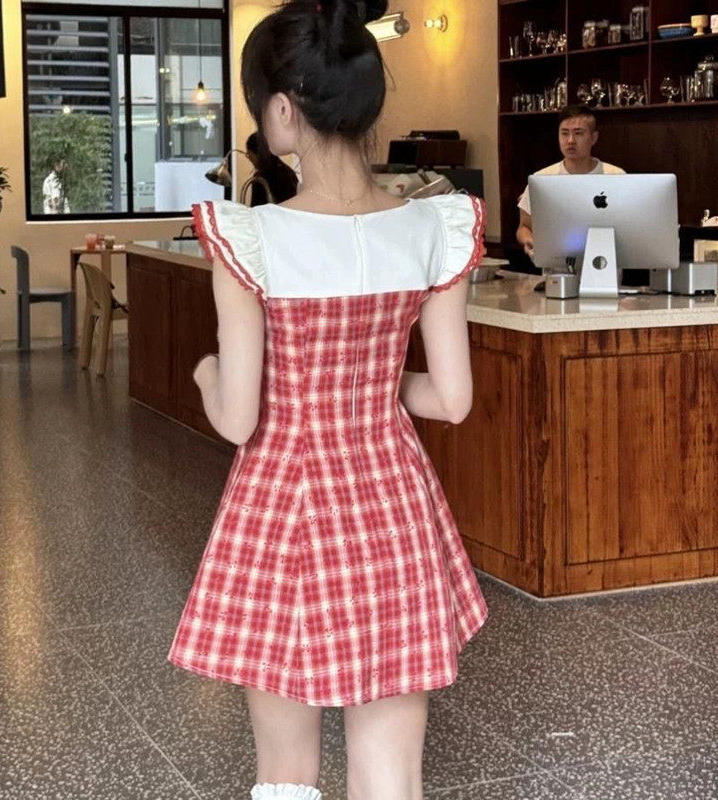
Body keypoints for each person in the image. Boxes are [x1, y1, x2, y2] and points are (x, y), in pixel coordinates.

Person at [167, 0, 488, 798]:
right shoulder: (436, 228)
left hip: (284, 512)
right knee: (392, 775)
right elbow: (451, 398)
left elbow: (239, 416)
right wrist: (367, 385)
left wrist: (205, 373)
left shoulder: (251, 239)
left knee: (286, 772)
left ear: (282, 112)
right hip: (391, 506)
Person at [516, 105, 625, 258]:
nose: (570, 140)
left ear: (593, 138)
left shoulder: (616, 176)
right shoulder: (541, 178)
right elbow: (524, 227)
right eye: (564, 133)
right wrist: (528, 240)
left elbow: (629, 226)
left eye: (578, 133)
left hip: (605, 261)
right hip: (555, 265)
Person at [244, 131, 299, 206]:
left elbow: (257, 208)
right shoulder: (288, 171)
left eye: (249, 154)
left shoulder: (261, 178)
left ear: (257, 153)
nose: (249, 158)